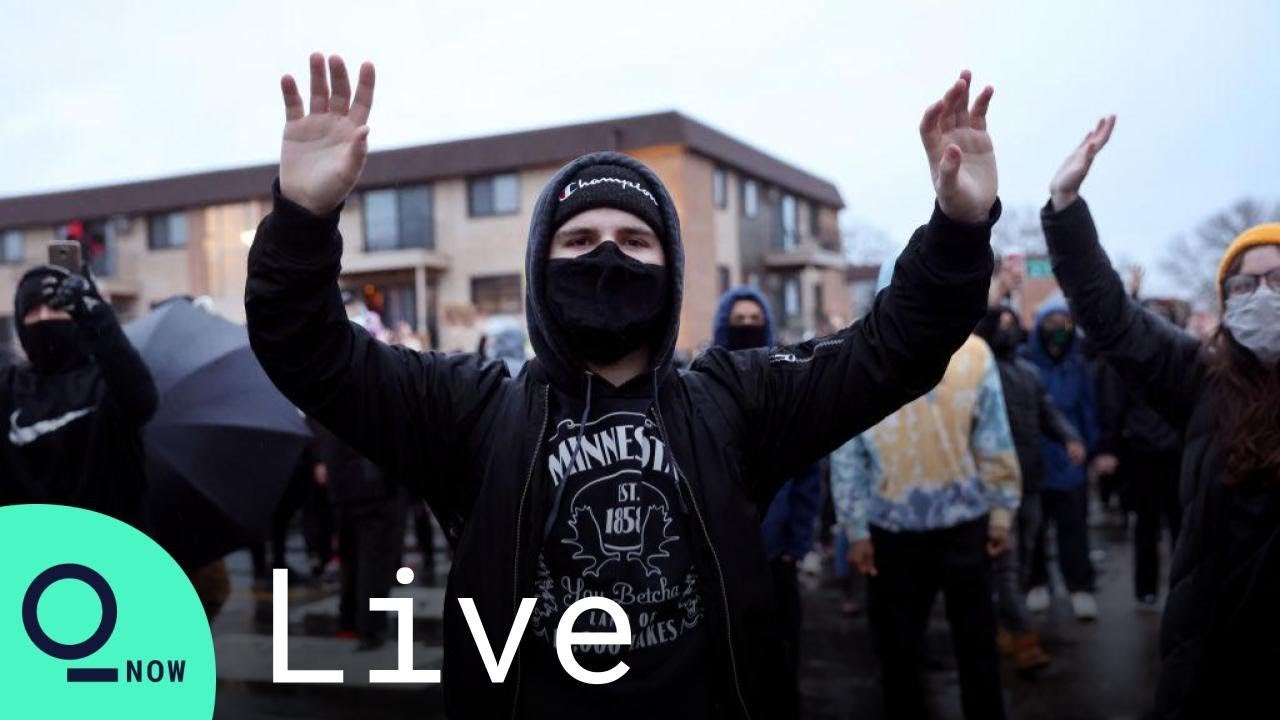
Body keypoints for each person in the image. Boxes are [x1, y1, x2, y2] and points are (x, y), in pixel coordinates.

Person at [245, 54, 1001, 718]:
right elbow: (311, 353)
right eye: (578, 240)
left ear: (670, 272)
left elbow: (891, 351)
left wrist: (959, 230)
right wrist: (304, 218)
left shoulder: (737, 402)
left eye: (635, 240)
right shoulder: (472, 412)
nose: (606, 256)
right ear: (542, 269)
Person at [1040, 114, 1280, 718]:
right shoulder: (1203, 379)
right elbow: (1113, 318)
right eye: (1245, 287)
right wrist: (1066, 207)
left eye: (1278, 280)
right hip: (1213, 663)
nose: (1263, 297)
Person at [831, 309, 1022, 719]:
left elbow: (993, 435)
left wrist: (1001, 511)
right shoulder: (866, 358)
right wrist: (857, 529)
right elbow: (847, 451)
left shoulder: (973, 354)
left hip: (964, 526)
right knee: (897, 654)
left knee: (978, 650)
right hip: (891, 532)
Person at [711, 285, 822, 712]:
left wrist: (797, 543)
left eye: (753, 320)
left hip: (777, 556)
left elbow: (809, 473)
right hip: (724, 559)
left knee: (782, 657)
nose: (746, 328)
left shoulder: (784, 383)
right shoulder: (704, 386)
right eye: (737, 321)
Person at [0, 264, 158, 527]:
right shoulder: (9, 386)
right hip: (29, 551)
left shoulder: (108, 380)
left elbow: (142, 401)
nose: (44, 318)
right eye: (32, 311)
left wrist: (97, 317)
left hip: (107, 549)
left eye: (56, 308)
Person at [974, 305, 1084, 671]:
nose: (1007, 330)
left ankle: (1005, 623)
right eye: (1000, 325)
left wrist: (1070, 438)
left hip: (1030, 480)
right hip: (993, 485)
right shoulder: (980, 373)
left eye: (1012, 323)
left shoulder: (1028, 373)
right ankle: (1019, 634)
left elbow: (1048, 413)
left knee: (1020, 560)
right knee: (1005, 562)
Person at [1094, 302, 1185, 610]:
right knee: (1146, 525)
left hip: (1177, 453)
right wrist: (1109, 449)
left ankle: (1183, 587)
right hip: (1141, 453)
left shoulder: (1183, 359)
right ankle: (1146, 590)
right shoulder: (1125, 362)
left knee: (1181, 526)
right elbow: (1112, 408)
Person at [1021, 296, 1101, 621]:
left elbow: (1088, 410)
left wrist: (1088, 447)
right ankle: (1037, 583)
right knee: (1035, 529)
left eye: (1064, 323)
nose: (1058, 330)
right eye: (1050, 323)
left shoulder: (1078, 365)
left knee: (1074, 529)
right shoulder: (1026, 362)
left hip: (1070, 460)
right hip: (1036, 458)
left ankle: (1079, 588)